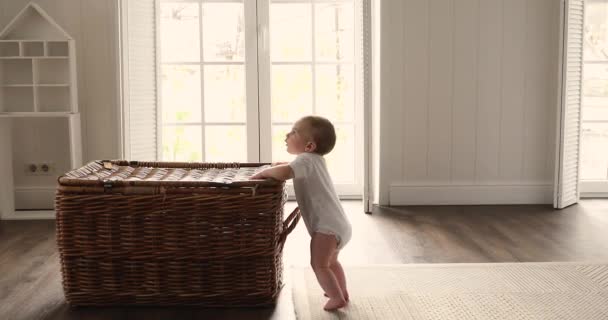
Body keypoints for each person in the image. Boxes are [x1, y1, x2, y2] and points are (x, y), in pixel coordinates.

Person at [251, 115, 352, 311]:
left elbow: (286, 172)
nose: (288, 134)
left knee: (319, 264)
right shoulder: (315, 160)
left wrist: (264, 173)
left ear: (309, 146)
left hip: (326, 229)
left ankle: (336, 296)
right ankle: (342, 291)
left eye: (294, 132)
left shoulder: (305, 161)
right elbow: (291, 168)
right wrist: (281, 166)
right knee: (332, 262)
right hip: (340, 225)